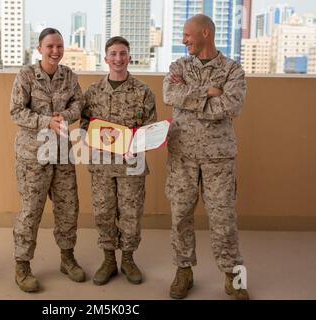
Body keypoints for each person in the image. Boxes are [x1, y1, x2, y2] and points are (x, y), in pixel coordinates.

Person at [162, 14, 249, 300]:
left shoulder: (232, 69)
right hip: (182, 154)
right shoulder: (179, 65)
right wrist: (209, 94)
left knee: (224, 218)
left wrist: (192, 103)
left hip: (218, 157)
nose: (183, 40)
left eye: (188, 35)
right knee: (180, 216)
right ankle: (183, 272)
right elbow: (169, 94)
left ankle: (234, 277)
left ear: (206, 33)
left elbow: (231, 106)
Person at [10, 28, 85, 293]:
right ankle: (22, 265)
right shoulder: (26, 75)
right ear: (39, 48)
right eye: (50, 46)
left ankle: (67, 258)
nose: (55, 51)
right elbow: (16, 112)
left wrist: (64, 116)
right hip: (34, 155)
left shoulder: (70, 76)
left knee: (68, 208)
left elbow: (79, 105)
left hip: (62, 154)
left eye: (60, 46)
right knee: (31, 210)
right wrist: (45, 121)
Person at [81, 36, 157, 286]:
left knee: (131, 213)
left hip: (131, 165)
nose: (118, 58)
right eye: (113, 53)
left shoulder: (143, 92)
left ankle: (128, 259)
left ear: (129, 57)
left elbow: (150, 128)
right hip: (101, 165)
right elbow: (84, 124)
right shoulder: (92, 91)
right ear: (105, 58)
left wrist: (134, 145)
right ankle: (108, 260)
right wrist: (92, 137)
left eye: (123, 53)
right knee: (103, 212)